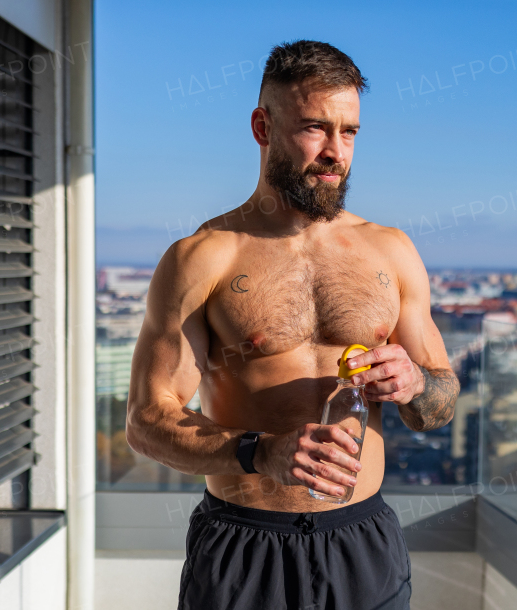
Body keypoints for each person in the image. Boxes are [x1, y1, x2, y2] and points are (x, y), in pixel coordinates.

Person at [126, 39, 459, 610]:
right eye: (315, 128)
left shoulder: (392, 252)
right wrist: (261, 452)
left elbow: (441, 402)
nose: (336, 151)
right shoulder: (203, 258)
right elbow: (147, 421)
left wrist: (416, 384)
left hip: (362, 541)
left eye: (349, 131)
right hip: (243, 543)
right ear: (262, 126)